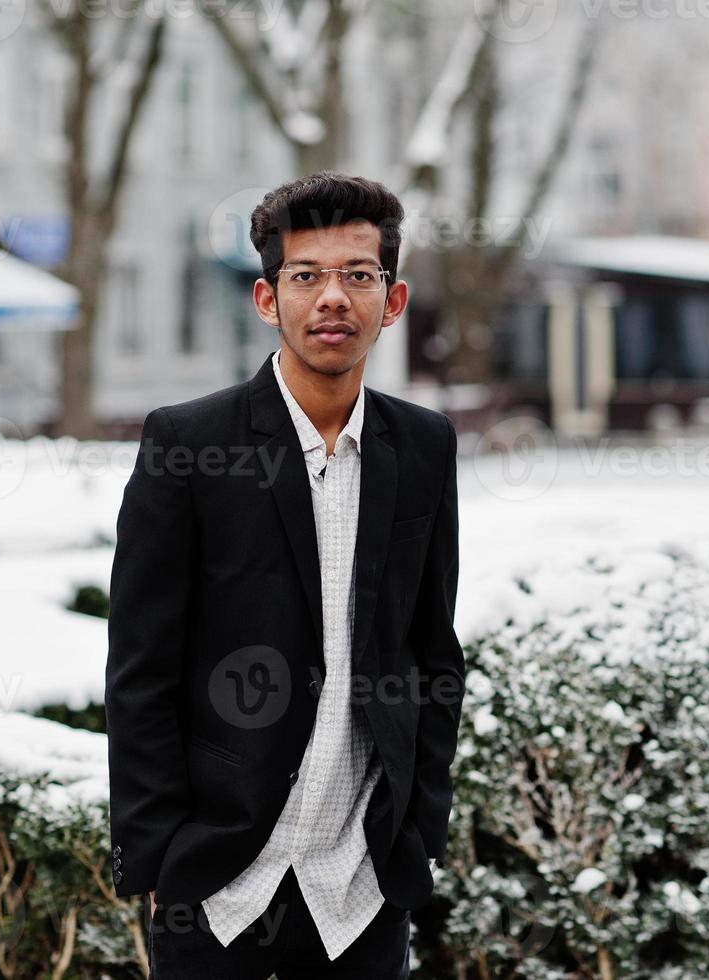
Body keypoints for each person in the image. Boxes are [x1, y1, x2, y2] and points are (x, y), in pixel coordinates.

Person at [105, 172, 465, 978]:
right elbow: (140, 672)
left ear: (392, 300)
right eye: (305, 276)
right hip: (220, 883)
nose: (331, 298)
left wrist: (417, 832)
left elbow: (432, 650)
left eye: (356, 276)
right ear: (268, 299)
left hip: (361, 889)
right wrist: (162, 857)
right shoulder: (187, 446)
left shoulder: (424, 448)